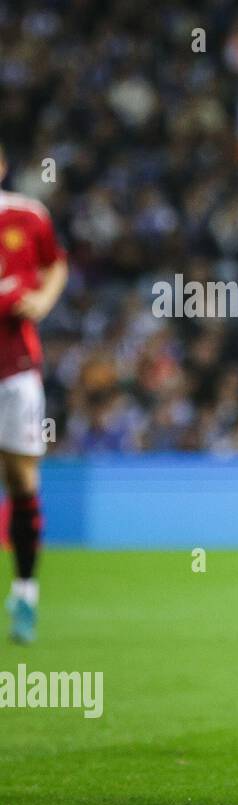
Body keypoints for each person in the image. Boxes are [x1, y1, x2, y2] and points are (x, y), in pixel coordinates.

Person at [0, 144, 68, 645]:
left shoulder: (28, 214)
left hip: (15, 367)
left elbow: (56, 263)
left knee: (22, 477)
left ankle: (25, 591)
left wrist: (43, 298)